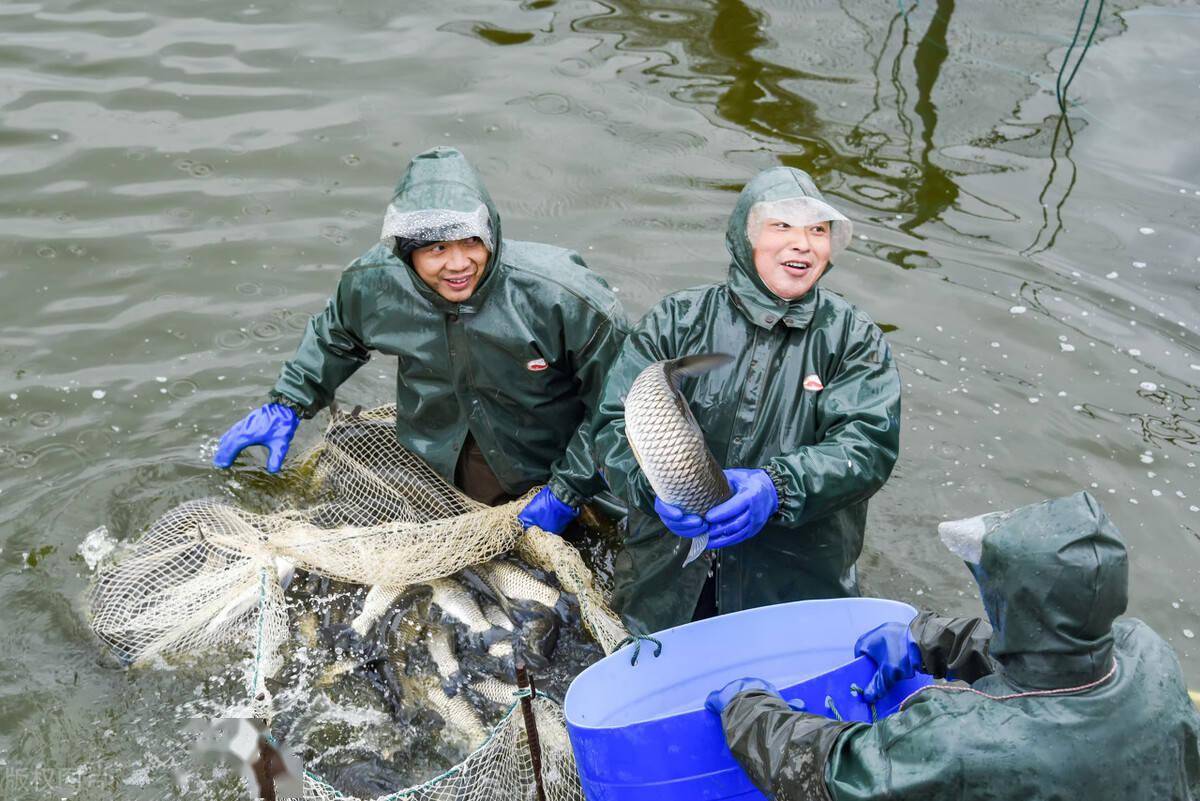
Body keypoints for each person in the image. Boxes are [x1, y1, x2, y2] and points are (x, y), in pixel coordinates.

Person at [213, 146, 626, 533]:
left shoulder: (565, 297)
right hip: (433, 451)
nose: (459, 263)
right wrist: (288, 402)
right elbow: (336, 337)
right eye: (438, 248)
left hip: (548, 458)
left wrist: (568, 490)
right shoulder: (373, 283)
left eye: (471, 242)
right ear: (407, 252)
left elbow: (621, 406)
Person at [707, 491, 1200, 800]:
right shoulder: (1148, 652)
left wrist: (749, 711)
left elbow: (834, 773)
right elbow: (1059, 655)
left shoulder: (961, 737)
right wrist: (928, 639)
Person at [593, 166, 900, 632]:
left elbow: (868, 447)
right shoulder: (677, 320)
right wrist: (649, 488)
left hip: (796, 583)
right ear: (746, 237)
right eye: (783, 227)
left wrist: (779, 487)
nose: (803, 243)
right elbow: (615, 421)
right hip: (667, 577)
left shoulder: (853, 338)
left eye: (817, 231)